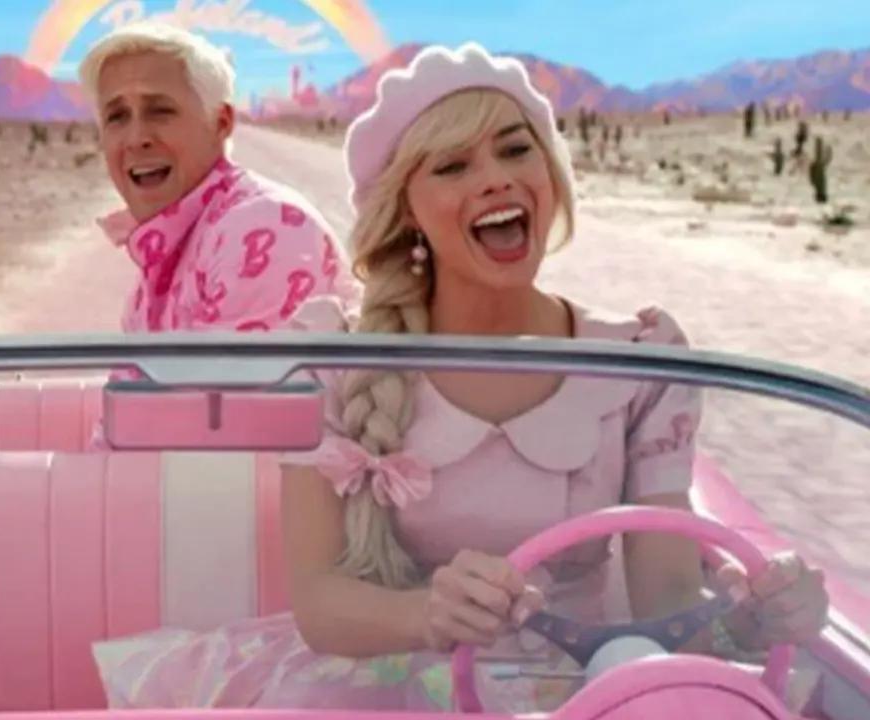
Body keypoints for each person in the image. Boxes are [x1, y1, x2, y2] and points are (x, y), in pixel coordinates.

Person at [88, 44, 830, 713]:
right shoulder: (334, 355)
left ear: (550, 174)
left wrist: (747, 621)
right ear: (408, 211)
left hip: (587, 685)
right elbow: (318, 605)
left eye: (516, 150)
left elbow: (663, 600)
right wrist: (427, 614)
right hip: (394, 684)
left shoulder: (641, 357)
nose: (496, 179)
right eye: (452, 166)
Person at [78, 22, 360, 334]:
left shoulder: (261, 225)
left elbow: (230, 368)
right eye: (116, 116)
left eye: (160, 111)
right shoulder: (168, 250)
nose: (136, 138)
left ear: (221, 123)